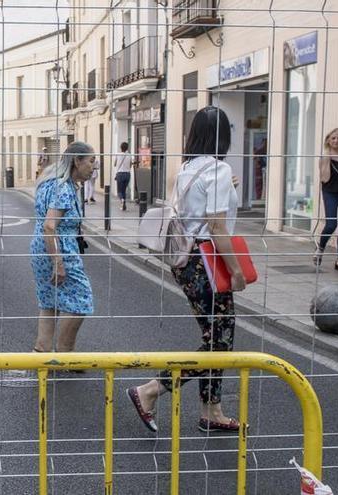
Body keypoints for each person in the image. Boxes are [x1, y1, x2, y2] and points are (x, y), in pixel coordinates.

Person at [127, 106, 245, 434]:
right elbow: (217, 226)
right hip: (208, 262)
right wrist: (235, 271)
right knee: (219, 343)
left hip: (187, 262)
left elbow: (196, 212)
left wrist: (228, 185)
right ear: (224, 136)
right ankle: (150, 391)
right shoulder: (218, 169)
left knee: (215, 338)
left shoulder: (188, 168)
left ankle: (212, 409)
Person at [29, 141, 96, 362]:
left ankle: (41, 351)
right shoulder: (64, 189)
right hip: (58, 248)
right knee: (82, 298)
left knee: (49, 301)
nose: (94, 167)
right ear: (77, 161)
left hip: (40, 247)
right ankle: (65, 353)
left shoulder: (50, 182)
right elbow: (50, 225)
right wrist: (58, 262)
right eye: (91, 161)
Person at [315, 128, 338, 271]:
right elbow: (324, 178)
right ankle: (320, 248)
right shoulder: (324, 157)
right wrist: (327, 158)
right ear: (328, 140)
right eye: (333, 138)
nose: (336, 141)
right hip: (330, 193)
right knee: (331, 224)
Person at [113, 142, 132, 211]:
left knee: (119, 192)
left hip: (120, 174)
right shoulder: (129, 155)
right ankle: (124, 206)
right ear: (127, 148)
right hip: (127, 174)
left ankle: (122, 200)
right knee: (124, 190)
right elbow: (130, 165)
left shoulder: (118, 154)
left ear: (121, 147)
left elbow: (114, 164)